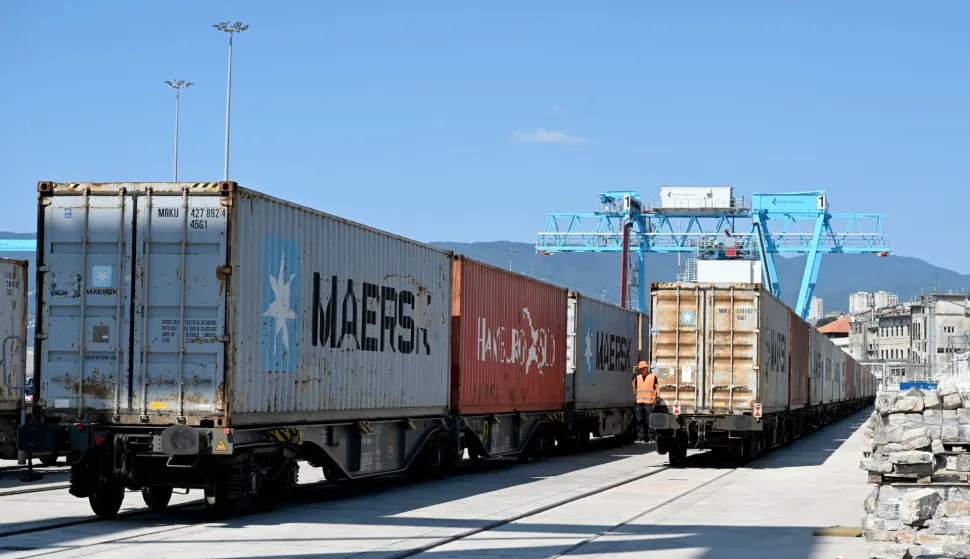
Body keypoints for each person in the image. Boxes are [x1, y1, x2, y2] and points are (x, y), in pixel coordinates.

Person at [632, 361, 658, 443]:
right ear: (640, 369)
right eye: (642, 368)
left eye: (645, 368)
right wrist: (633, 379)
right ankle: (640, 437)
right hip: (639, 402)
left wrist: (658, 397)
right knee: (639, 419)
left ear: (647, 368)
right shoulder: (638, 377)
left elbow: (657, 387)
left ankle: (651, 437)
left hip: (649, 402)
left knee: (649, 420)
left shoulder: (652, 376)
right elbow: (634, 387)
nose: (643, 369)